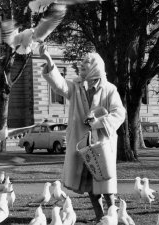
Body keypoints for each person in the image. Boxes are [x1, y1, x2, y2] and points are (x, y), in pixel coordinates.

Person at [39, 44, 125, 222]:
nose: (81, 68)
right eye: (81, 66)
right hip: (83, 145)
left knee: (106, 186)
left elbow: (119, 113)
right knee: (90, 186)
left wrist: (99, 122)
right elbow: (60, 85)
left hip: (101, 145)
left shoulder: (109, 89)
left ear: (94, 68)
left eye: (85, 66)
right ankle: (101, 217)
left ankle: (113, 217)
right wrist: (48, 59)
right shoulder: (77, 87)